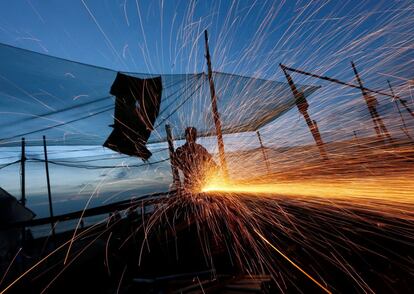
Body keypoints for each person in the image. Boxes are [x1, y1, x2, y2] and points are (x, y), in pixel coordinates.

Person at [174, 127, 218, 191]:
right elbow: (213, 165)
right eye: (191, 135)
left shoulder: (180, 150)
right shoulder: (200, 149)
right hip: (200, 183)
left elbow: (176, 165)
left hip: (191, 185)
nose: (191, 136)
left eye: (192, 135)